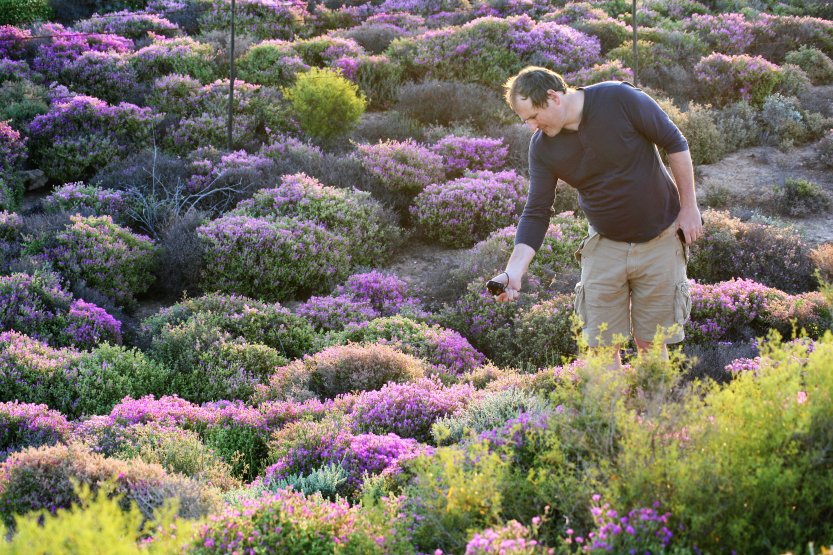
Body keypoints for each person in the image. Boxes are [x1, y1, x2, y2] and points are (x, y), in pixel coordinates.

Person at [490, 66, 703, 366]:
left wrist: (689, 207)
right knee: (602, 345)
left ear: (553, 97)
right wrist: (514, 272)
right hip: (605, 246)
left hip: (661, 241)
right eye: (526, 121)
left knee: (650, 343)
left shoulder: (619, 98)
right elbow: (536, 211)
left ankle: (652, 412)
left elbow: (675, 142)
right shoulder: (543, 148)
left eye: (534, 117)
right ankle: (612, 413)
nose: (532, 127)